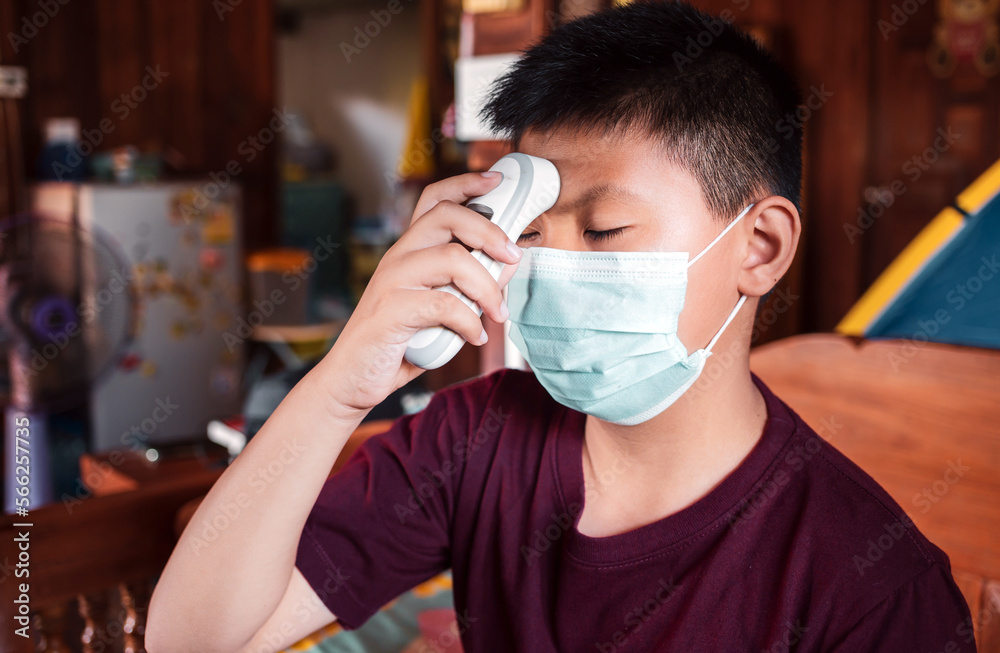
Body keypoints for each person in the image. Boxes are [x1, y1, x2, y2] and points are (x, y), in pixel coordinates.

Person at [146, 2, 977, 651]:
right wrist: (340, 384)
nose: (555, 262)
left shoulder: (871, 586)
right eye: (534, 231)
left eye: (607, 230)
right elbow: (192, 637)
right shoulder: (474, 439)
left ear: (758, 247)